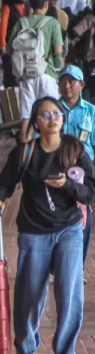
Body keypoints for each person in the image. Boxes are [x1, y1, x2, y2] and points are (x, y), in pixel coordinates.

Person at [0, 97, 95, 354]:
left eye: (57, 114)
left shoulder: (75, 150)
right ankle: (26, 342)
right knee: (30, 292)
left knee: (70, 293)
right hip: (33, 230)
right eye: (46, 115)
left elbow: (90, 192)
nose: (53, 119)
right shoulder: (26, 153)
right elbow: (6, 181)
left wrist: (67, 187)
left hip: (69, 231)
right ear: (37, 122)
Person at [8, 0, 64, 142]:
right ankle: (50, 145)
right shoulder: (53, 23)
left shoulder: (21, 22)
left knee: (26, 114)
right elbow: (58, 51)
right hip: (47, 73)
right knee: (51, 111)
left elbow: (9, 48)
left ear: (30, 4)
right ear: (46, 4)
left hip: (26, 74)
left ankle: (23, 146)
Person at [59, 65, 95, 273]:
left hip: (84, 171)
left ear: (81, 85)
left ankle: (77, 268)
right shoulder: (53, 109)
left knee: (84, 218)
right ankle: (56, 265)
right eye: (63, 81)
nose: (67, 86)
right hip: (59, 168)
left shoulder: (91, 112)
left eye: (72, 81)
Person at [0, 0, 31, 88]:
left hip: (24, 46)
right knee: (10, 74)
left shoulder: (28, 8)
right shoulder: (9, 7)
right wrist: (2, 44)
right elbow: (3, 26)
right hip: (10, 45)